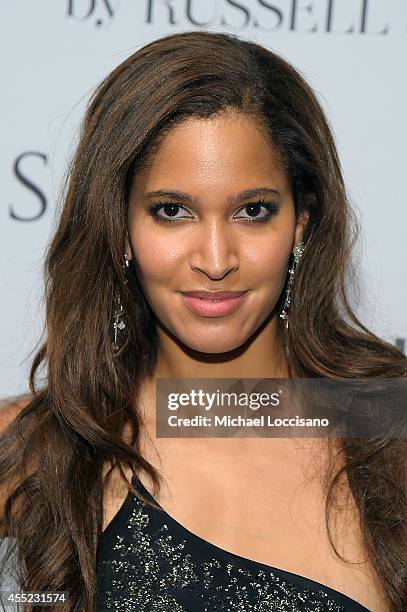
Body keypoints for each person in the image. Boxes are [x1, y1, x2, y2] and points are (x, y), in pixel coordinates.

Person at [0, 29, 406, 612]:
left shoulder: (388, 428)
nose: (216, 261)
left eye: (253, 210)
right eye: (172, 211)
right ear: (120, 227)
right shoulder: (49, 445)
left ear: (302, 222)